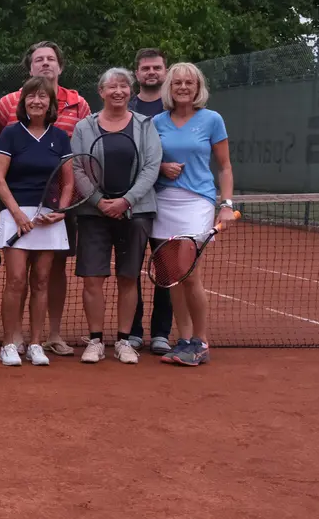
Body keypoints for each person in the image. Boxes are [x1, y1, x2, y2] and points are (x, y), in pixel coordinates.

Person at [0, 41, 92, 357]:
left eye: (42, 97)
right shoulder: (9, 130)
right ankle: (10, 342)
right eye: (31, 96)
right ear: (23, 100)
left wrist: (60, 210)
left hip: (50, 217)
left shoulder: (61, 135)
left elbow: (68, 179)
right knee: (16, 280)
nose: (36, 101)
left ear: (51, 104)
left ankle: (36, 343)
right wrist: (17, 214)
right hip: (15, 215)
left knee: (43, 281)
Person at [69, 67, 161, 366]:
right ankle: (95, 340)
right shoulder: (85, 127)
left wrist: (126, 201)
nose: (118, 91)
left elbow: (151, 166)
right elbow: (79, 167)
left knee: (128, 276)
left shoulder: (145, 125)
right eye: (112, 87)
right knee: (93, 279)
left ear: (131, 91)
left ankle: (124, 340)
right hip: (93, 213)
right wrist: (99, 201)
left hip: (135, 212)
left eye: (124, 86)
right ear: (101, 92)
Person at [152, 63, 235, 366]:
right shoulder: (157, 122)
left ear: (198, 87)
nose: (183, 87)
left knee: (189, 273)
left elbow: (225, 167)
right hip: (164, 202)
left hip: (197, 202)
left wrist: (226, 204)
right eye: (177, 83)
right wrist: (162, 167)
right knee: (173, 277)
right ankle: (184, 339)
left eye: (189, 82)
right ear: (169, 89)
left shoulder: (212, 120)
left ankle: (200, 341)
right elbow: (149, 162)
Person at [127, 48, 174, 355]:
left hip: (170, 199)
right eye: (146, 68)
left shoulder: (177, 106)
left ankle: (161, 332)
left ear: (165, 71)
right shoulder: (124, 105)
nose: (152, 72)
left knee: (166, 268)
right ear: (137, 74)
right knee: (130, 267)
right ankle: (131, 331)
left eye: (157, 67)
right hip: (133, 200)